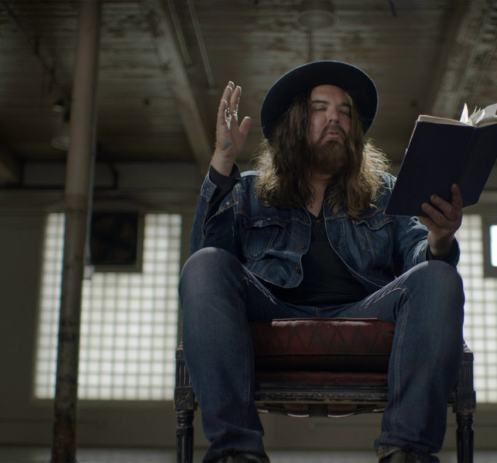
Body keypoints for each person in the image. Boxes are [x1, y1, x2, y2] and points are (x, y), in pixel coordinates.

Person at [179, 61, 465, 463]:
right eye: (320, 108)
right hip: (270, 307)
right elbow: (206, 260)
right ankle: (236, 452)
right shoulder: (247, 191)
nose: (335, 117)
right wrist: (223, 161)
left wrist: (440, 238)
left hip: (365, 308)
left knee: (441, 276)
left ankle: (406, 450)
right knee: (204, 264)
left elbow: (419, 261)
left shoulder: (385, 192)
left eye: (345, 111)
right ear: (295, 122)